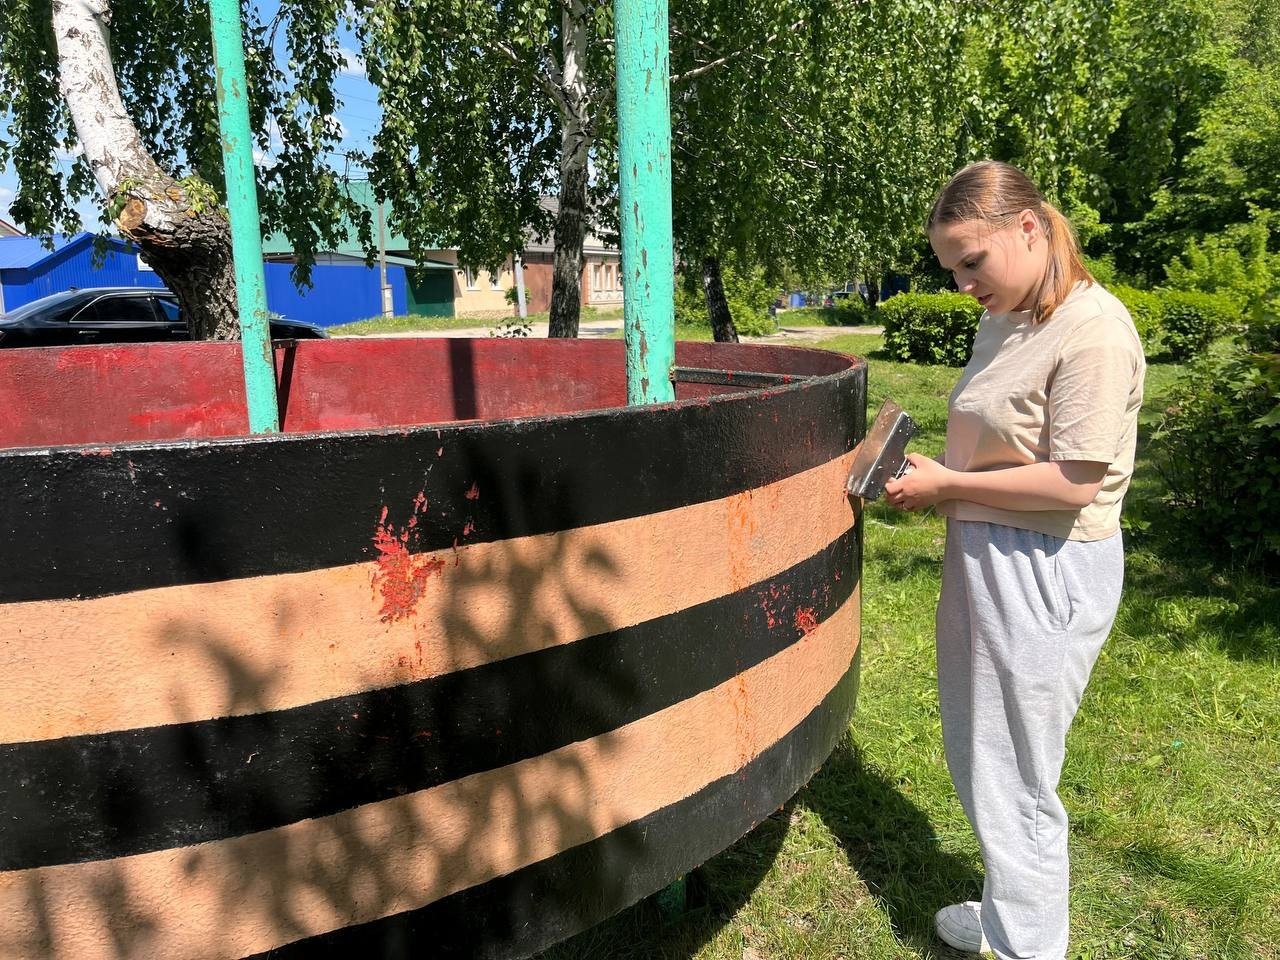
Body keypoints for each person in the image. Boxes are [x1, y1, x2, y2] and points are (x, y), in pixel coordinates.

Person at [883, 160, 1146, 960]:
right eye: (951, 270)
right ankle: (1010, 910)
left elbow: (1074, 483)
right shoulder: (1010, 315)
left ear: (1027, 228)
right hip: (988, 553)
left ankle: (1028, 945)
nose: (963, 285)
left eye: (972, 262)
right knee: (985, 756)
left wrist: (949, 485)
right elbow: (1005, 439)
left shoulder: (1094, 332)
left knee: (1019, 776)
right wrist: (941, 478)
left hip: (1045, 569)